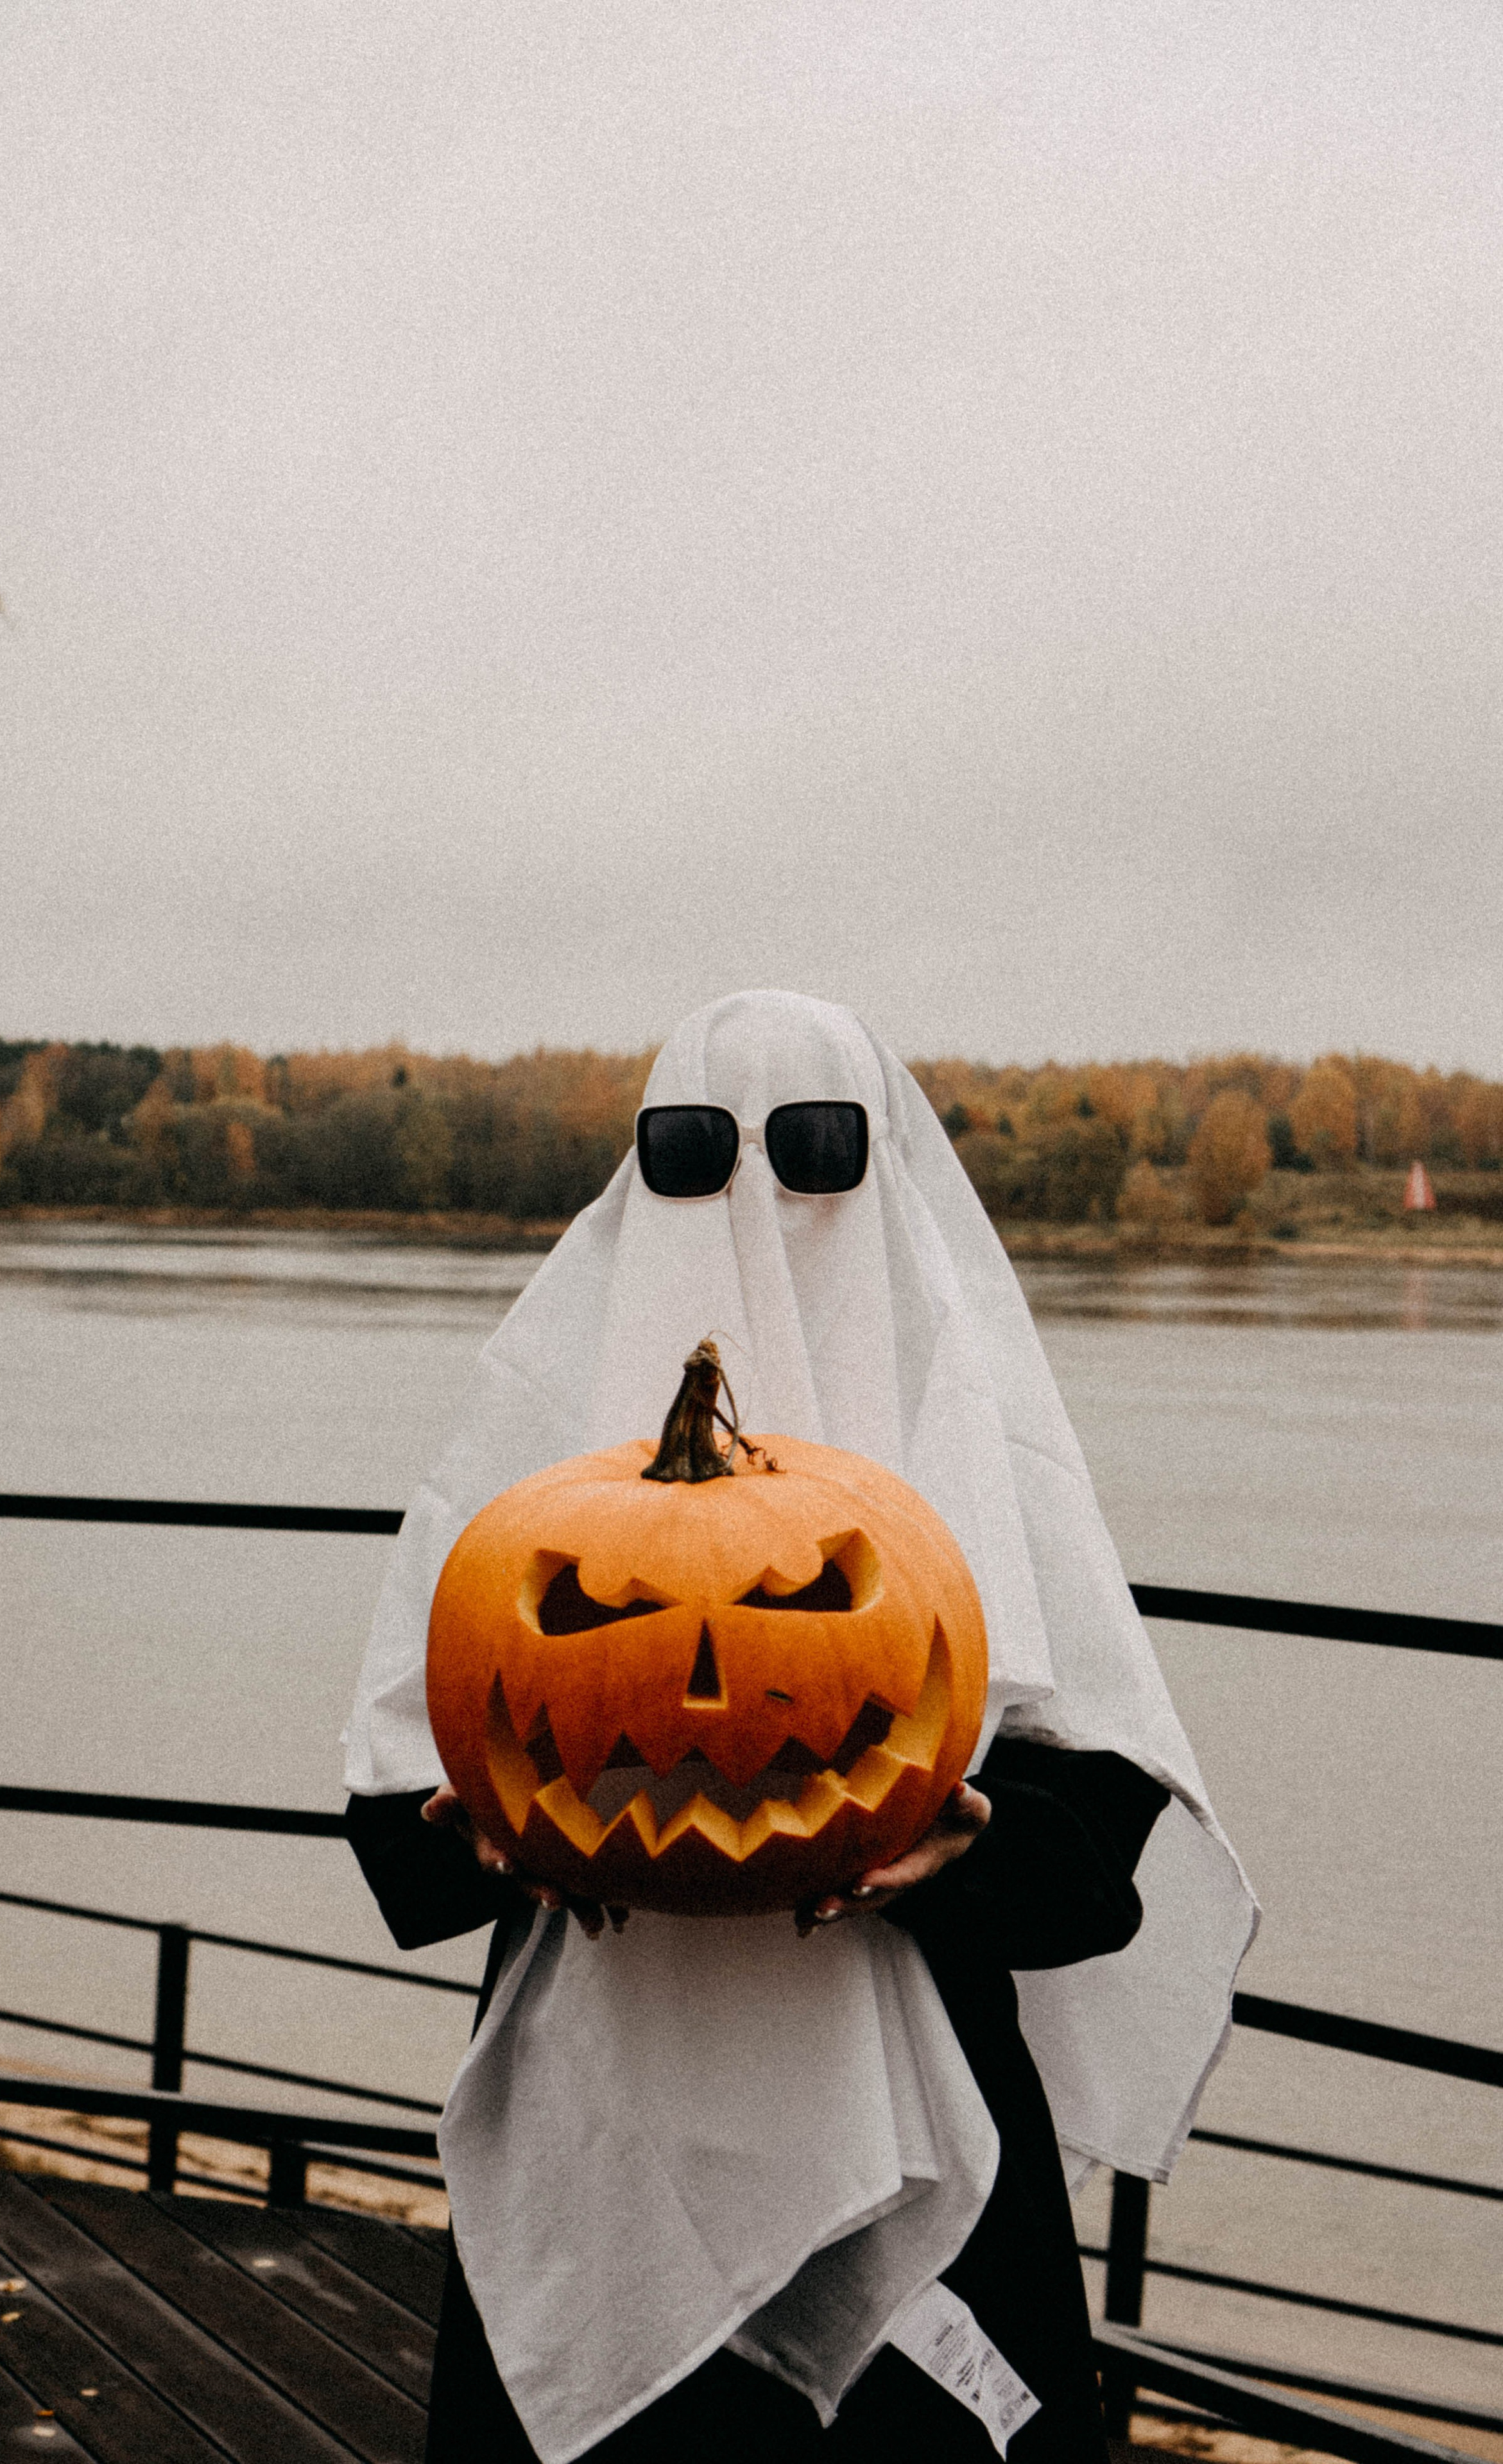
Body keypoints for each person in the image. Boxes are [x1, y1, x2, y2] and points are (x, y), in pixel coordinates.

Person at [345, 991, 1255, 2464]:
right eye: (694, 1152)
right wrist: (495, 1848)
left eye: (817, 1152)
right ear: (639, 1167)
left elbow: (1092, 1886)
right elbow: (397, 1840)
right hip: (604, 2142)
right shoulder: (534, 1427)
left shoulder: (985, 1448)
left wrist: (965, 1842)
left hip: (922, 2149)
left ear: (883, 1165)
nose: (756, 1201)